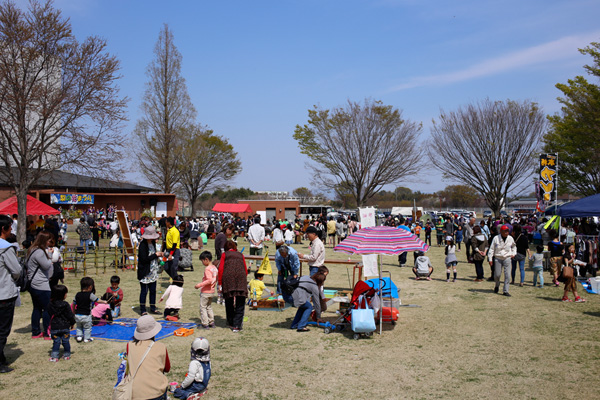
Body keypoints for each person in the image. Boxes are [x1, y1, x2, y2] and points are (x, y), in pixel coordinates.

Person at [127, 315, 170, 400]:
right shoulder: (161, 346)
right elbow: (167, 368)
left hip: (135, 392)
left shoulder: (129, 346)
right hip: (157, 392)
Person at [0, 215, 21, 373]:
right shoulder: (5, 247)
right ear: (4, 229)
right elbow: (16, 270)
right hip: (4, 293)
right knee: (2, 330)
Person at [26, 230, 55, 339]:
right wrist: (51, 255)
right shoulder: (39, 252)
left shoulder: (32, 250)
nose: (49, 242)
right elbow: (46, 265)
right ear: (44, 240)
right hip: (41, 284)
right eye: (48, 240)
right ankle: (47, 332)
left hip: (33, 284)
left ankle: (36, 331)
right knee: (47, 309)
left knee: (37, 308)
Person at [218, 241, 248, 332]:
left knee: (229, 300)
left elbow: (221, 269)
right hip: (241, 278)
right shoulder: (240, 255)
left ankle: (231, 322)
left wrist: (220, 283)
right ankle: (237, 325)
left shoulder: (225, 255)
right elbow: (245, 269)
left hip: (228, 278)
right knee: (240, 302)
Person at [138, 226, 164, 315]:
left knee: (153, 290)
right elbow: (144, 259)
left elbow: (154, 256)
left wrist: (159, 255)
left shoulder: (152, 243)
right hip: (145, 272)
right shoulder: (142, 245)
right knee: (144, 291)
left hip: (153, 271)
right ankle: (143, 309)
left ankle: (153, 307)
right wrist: (155, 255)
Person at [73, 276, 107, 342]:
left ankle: (79, 337)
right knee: (87, 328)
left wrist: (74, 311)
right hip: (86, 315)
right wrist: (104, 301)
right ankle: (87, 338)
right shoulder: (90, 295)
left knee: (79, 327)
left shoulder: (77, 294)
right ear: (90, 287)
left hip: (77, 315)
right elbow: (97, 300)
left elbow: (74, 303)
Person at [47, 284, 75, 362]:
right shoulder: (65, 305)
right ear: (62, 295)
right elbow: (70, 315)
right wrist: (72, 323)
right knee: (66, 341)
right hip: (65, 326)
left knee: (56, 341)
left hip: (55, 326)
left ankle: (54, 356)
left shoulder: (50, 304)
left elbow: (49, 313)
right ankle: (67, 354)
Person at [488, 225, 516, 297]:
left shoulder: (510, 238)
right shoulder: (496, 238)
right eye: (505, 231)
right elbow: (491, 249)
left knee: (507, 275)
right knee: (497, 274)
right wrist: (490, 259)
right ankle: (497, 285)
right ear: (501, 232)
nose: (506, 233)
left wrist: (513, 253)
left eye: (507, 231)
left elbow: (514, 247)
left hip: (507, 257)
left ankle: (505, 290)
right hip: (498, 257)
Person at [195, 251, 217, 329]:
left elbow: (209, 280)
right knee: (209, 307)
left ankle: (205, 323)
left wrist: (199, 285)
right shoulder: (214, 268)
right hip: (212, 291)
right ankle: (211, 321)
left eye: (202, 261)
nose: (202, 263)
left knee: (203, 307)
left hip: (206, 292)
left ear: (206, 259)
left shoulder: (207, 269)